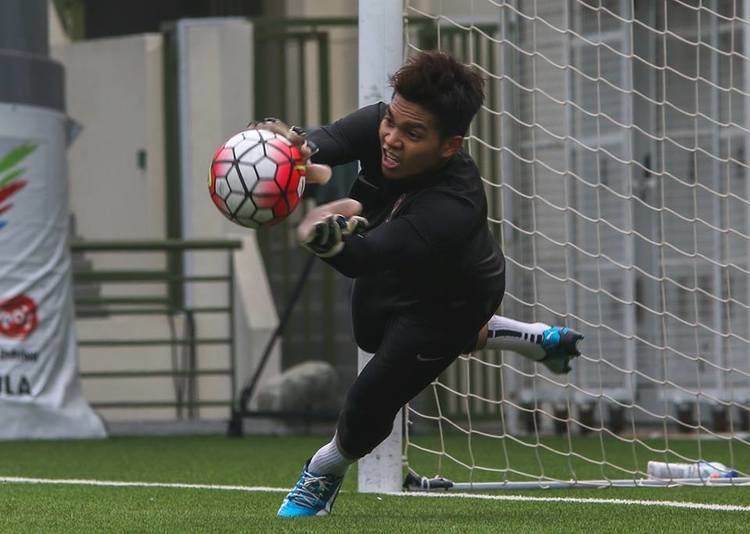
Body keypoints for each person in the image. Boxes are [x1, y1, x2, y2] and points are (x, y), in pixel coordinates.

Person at [251, 50, 583, 518]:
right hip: (396, 269)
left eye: (413, 134)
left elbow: (362, 258)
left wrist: (327, 241)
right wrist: (289, 149)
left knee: (372, 397)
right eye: (390, 121)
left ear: (450, 145)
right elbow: (325, 143)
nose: (391, 139)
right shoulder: (383, 125)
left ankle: (323, 472)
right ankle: (530, 338)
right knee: (369, 333)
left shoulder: (451, 206)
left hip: (455, 299)